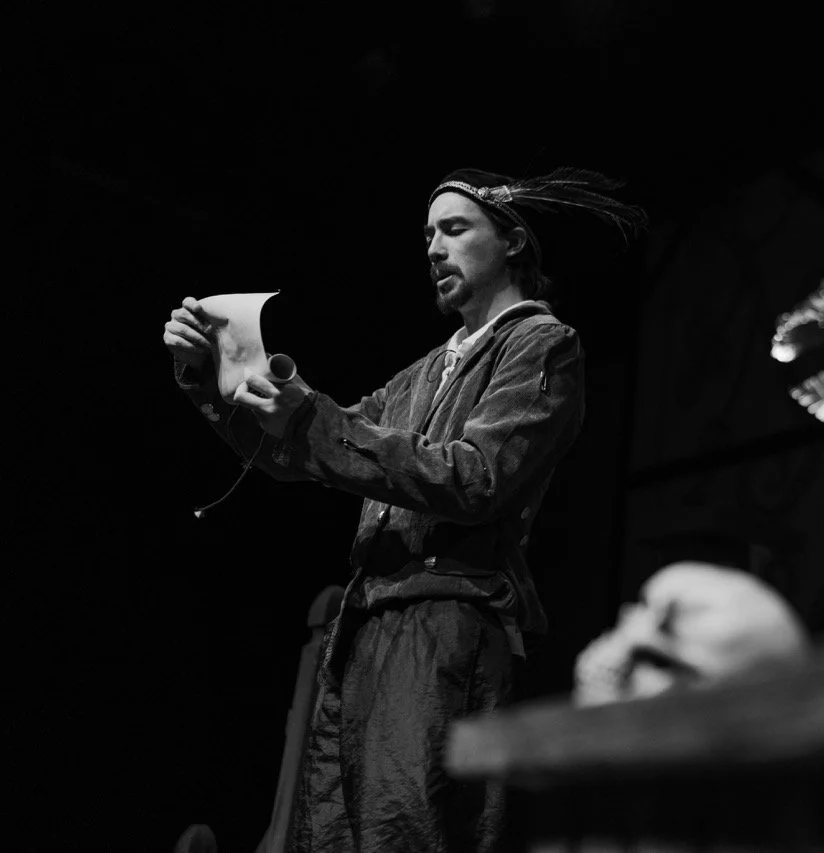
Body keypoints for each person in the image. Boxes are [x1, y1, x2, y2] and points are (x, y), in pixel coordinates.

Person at [162, 167, 645, 852]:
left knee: (408, 831)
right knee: (332, 835)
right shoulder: (418, 373)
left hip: (446, 617)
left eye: (454, 229)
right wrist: (212, 377)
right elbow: (301, 451)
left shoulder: (540, 343)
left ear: (511, 243)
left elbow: (477, 478)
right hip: (365, 623)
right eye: (427, 235)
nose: (433, 248)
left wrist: (311, 417)